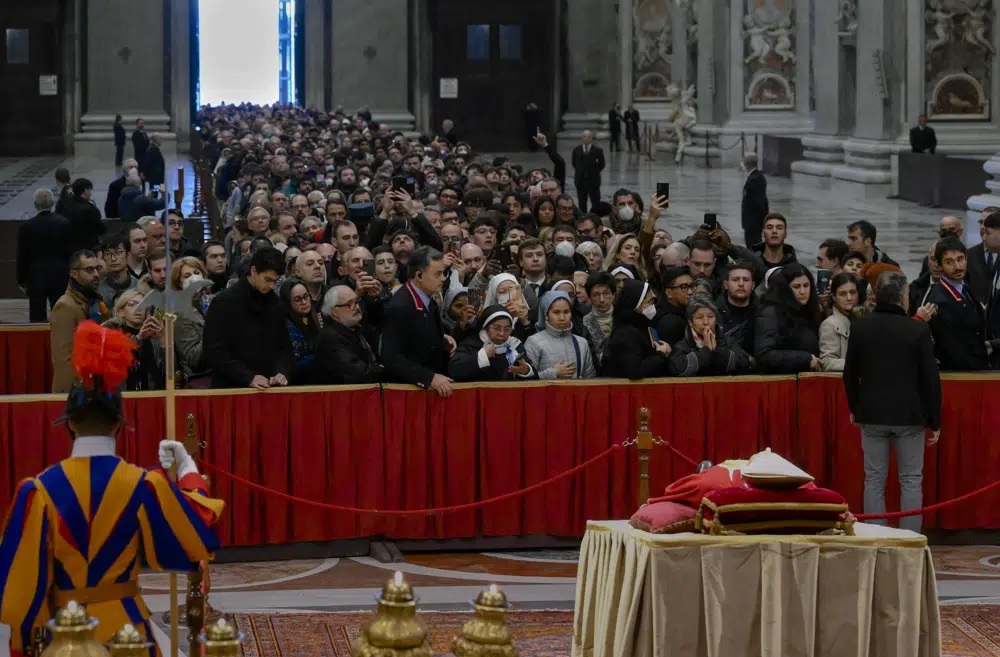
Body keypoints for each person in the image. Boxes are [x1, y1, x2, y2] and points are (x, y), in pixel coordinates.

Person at [0, 320, 222, 656]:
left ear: (69, 423)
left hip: (63, 637)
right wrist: (188, 468)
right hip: (128, 633)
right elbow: (197, 532)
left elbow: (20, 596)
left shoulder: (37, 492)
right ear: (119, 424)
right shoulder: (145, 485)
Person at [844, 270, 941, 533]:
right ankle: (909, 539)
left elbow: (850, 373)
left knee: (874, 479)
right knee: (910, 479)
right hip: (910, 417)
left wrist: (855, 407)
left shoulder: (861, 327)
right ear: (902, 297)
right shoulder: (917, 329)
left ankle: (876, 535)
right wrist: (935, 420)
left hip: (871, 414)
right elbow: (930, 380)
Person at [202, 247, 293, 388]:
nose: (271, 286)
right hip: (231, 388)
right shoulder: (224, 302)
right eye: (267, 279)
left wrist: (282, 372)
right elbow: (214, 350)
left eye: (275, 281)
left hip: (269, 386)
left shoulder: (275, 303)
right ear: (254, 271)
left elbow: (284, 347)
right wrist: (247, 377)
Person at [381, 247, 456, 397]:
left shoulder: (428, 297)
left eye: (444, 273)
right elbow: (391, 358)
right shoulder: (400, 306)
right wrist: (429, 378)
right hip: (406, 393)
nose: (443, 278)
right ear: (419, 275)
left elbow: (417, 333)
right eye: (438, 274)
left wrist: (440, 337)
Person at [50, 250, 110, 392]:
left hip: (96, 387)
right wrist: (74, 397)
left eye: (97, 268)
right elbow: (64, 361)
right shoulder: (64, 306)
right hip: (76, 393)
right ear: (74, 274)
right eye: (89, 270)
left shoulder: (95, 301)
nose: (96, 274)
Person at [926, 236, 989, 371]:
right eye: (949, 262)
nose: (957, 267)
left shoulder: (966, 289)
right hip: (962, 376)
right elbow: (955, 350)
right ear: (939, 265)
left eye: (960, 259)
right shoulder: (941, 301)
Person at [753, 263, 822, 373]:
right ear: (785, 288)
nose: (803, 292)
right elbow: (764, 355)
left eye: (806, 285)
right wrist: (805, 359)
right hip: (779, 382)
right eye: (796, 287)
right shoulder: (771, 312)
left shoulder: (809, 310)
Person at [17, 189, 73, 322]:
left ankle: (37, 341)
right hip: (60, 275)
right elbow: (69, 252)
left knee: (37, 315)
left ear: (35, 205)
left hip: (35, 277)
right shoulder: (64, 223)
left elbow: (22, 255)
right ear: (52, 203)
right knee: (60, 313)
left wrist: (21, 279)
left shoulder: (26, 227)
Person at [314, 285, 385, 384]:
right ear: (334, 312)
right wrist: (384, 371)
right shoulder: (329, 339)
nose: (356, 307)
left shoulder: (355, 328)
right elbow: (358, 372)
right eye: (349, 304)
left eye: (356, 302)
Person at [668, 295, 752, 376]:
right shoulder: (683, 346)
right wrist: (706, 352)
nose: (706, 322)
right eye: (700, 317)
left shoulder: (728, 342)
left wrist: (717, 351)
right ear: (690, 321)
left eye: (710, 316)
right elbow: (676, 368)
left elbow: (748, 363)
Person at [604, 279, 671, 379]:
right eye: (649, 302)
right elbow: (635, 370)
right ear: (635, 305)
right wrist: (661, 355)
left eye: (653, 301)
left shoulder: (643, 325)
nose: (652, 306)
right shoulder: (625, 333)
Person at [449, 306, 535, 382]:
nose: (502, 333)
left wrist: (526, 370)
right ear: (486, 327)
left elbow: (533, 375)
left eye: (507, 329)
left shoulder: (514, 345)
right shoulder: (470, 344)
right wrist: (483, 355)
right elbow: (454, 370)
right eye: (496, 328)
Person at [101, 289, 165, 391]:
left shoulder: (153, 335)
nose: (138, 309)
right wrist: (138, 338)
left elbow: (166, 372)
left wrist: (163, 340)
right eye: (132, 304)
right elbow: (116, 360)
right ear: (121, 311)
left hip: (151, 396)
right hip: (123, 396)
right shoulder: (110, 332)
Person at [524, 290, 597, 379]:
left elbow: (590, 379)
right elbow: (527, 380)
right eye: (556, 312)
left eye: (566, 312)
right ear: (546, 315)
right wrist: (553, 373)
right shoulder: (534, 342)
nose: (562, 318)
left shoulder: (581, 343)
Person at [818, 272, 861, 372]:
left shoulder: (863, 318)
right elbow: (826, 362)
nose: (849, 298)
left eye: (853, 292)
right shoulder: (829, 324)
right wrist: (859, 363)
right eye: (843, 294)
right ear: (834, 298)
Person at [571, 130, 605, 213]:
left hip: (593, 181)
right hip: (580, 181)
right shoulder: (576, 150)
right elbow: (574, 163)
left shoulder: (598, 151)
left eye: (589, 136)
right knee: (582, 202)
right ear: (582, 138)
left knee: (595, 202)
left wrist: (594, 171)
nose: (587, 138)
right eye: (585, 136)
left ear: (591, 138)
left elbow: (602, 164)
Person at [741, 152, 769, 248]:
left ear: (746, 164)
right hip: (753, 222)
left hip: (753, 222)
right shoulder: (757, 177)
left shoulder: (754, 180)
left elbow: (758, 202)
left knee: (752, 246)